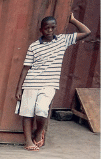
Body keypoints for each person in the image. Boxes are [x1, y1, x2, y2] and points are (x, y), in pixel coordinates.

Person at [15, 13, 92, 150]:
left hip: (49, 84)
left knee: (41, 110)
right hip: (31, 83)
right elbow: (26, 68)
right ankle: (28, 141)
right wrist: (18, 88)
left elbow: (87, 32)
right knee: (27, 112)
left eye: (52, 28)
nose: (50, 31)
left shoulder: (62, 40)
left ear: (55, 28)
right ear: (41, 30)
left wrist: (73, 20)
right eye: (46, 28)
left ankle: (39, 132)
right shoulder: (34, 46)